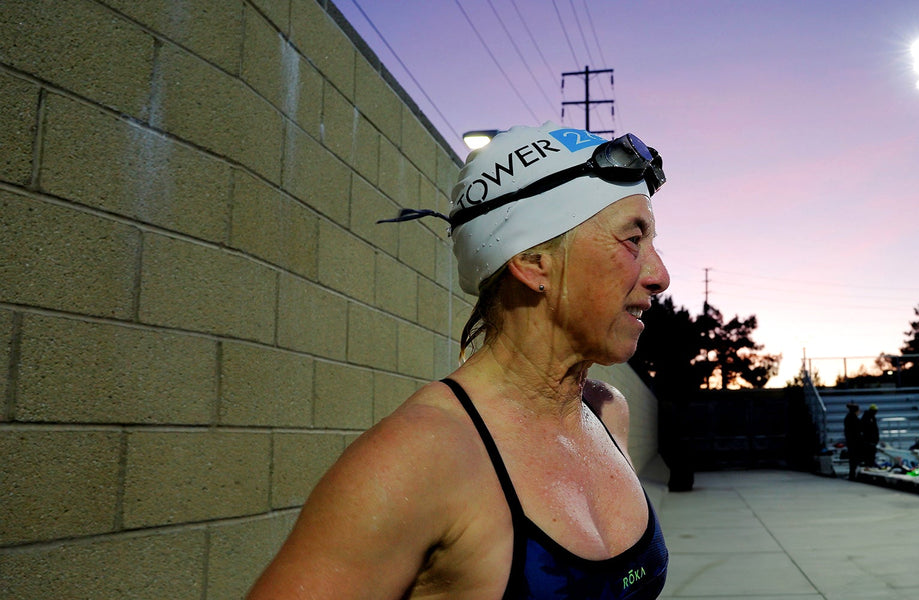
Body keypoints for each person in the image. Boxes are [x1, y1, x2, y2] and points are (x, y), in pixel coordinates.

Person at [248, 123, 671, 599]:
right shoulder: (418, 460)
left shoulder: (606, 412)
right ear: (533, 262)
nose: (660, 275)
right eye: (633, 240)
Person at [843, 403, 862, 479]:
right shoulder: (854, 419)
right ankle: (853, 474)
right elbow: (859, 429)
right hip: (855, 441)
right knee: (854, 458)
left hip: (850, 440)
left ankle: (852, 473)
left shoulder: (848, 418)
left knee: (852, 458)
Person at [860, 404, 880, 470]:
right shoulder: (867, 418)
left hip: (872, 439)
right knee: (869, 453)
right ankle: (869, 464)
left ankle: (871, 464)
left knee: (872, 453)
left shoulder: (872, 418)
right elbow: (868, 429)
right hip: (868, 439)